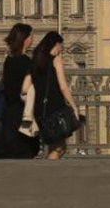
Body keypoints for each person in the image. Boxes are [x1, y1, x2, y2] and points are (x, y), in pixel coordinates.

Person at [25, 31, 80, 160]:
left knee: (55, 145)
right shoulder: (56, 60)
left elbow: (27, 86)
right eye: (61, 45)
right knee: (59, 147)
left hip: (40, 107)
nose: (62, 49)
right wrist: (74, 106)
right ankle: (46, 172)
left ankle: (48, 169)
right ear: (56, 44)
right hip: (55, 107)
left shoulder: (36, 60)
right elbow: (63, 87)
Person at [0, 23, 40, 159]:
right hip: (22, 110)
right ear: (24, 39)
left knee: (9, 149)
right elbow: (26, 87)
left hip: (9, 110)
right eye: (30, 36)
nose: (32, 39)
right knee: (24, 149)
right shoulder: (26, 62)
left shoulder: (9, 59)